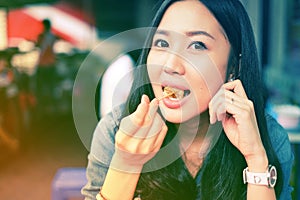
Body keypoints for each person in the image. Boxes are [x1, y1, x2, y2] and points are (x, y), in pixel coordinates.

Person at [82, 0, 294, 199]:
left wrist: (256, 159)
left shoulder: (270, 138)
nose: (171, 65)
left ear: (233, 67)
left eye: (197, 45)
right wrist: (127, 162)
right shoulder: (115, 130)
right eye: (162, 43)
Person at [35, 18, 57, 114]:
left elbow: (38, 45)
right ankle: (50, 106)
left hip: (43, 64)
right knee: (50, 85)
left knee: (42, 86)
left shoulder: (43, 36)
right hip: (50, 63)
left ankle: (44, 105)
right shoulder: (52, 36)